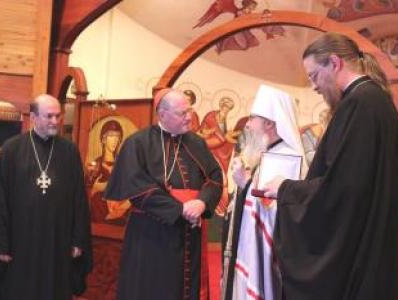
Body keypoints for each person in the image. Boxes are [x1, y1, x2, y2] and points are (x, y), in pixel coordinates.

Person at [265, 32, 398, 300]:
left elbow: (343, 189)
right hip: (373, 243)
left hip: (358, 255)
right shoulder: (376, 101)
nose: (314, 87)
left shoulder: (358, 105)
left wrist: (286, 189)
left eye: (314, 76)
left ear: (335, 62)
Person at [104, 88, 223, 300]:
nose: (189, 117)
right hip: (151, 235)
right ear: (162, 114)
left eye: (190, 111)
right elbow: (137, 188)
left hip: (190, 232)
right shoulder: (138, 143)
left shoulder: (197, 143)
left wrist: (202, 203)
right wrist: (181, 209)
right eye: (182, 113)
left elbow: (214, 178)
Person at [0, 94, 93, 299]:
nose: (55, 122)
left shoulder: (69, 152)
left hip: (57, 240)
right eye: (49, 116)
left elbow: (79, 201)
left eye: (58, 116)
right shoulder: (12, 149)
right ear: (33, 117)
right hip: (20, 241)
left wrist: (78, 240)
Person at [221, 84, 307, 300]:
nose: (247, 125)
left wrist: (246, 184)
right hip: (251, 252)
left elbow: (276, 213)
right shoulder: (269, 153)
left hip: (266, 260)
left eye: (252, 118)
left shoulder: (283, 158)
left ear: (269, 123)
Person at [86, 120, 129, 224]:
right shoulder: (95, 166)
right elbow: (85, 194)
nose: (115, 140)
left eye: (117, 136)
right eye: (111, 136)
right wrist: (95, 189)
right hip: (100, 216)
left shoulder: (124, 164)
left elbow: (132, 189)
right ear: (104, 139)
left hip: (120, 213)